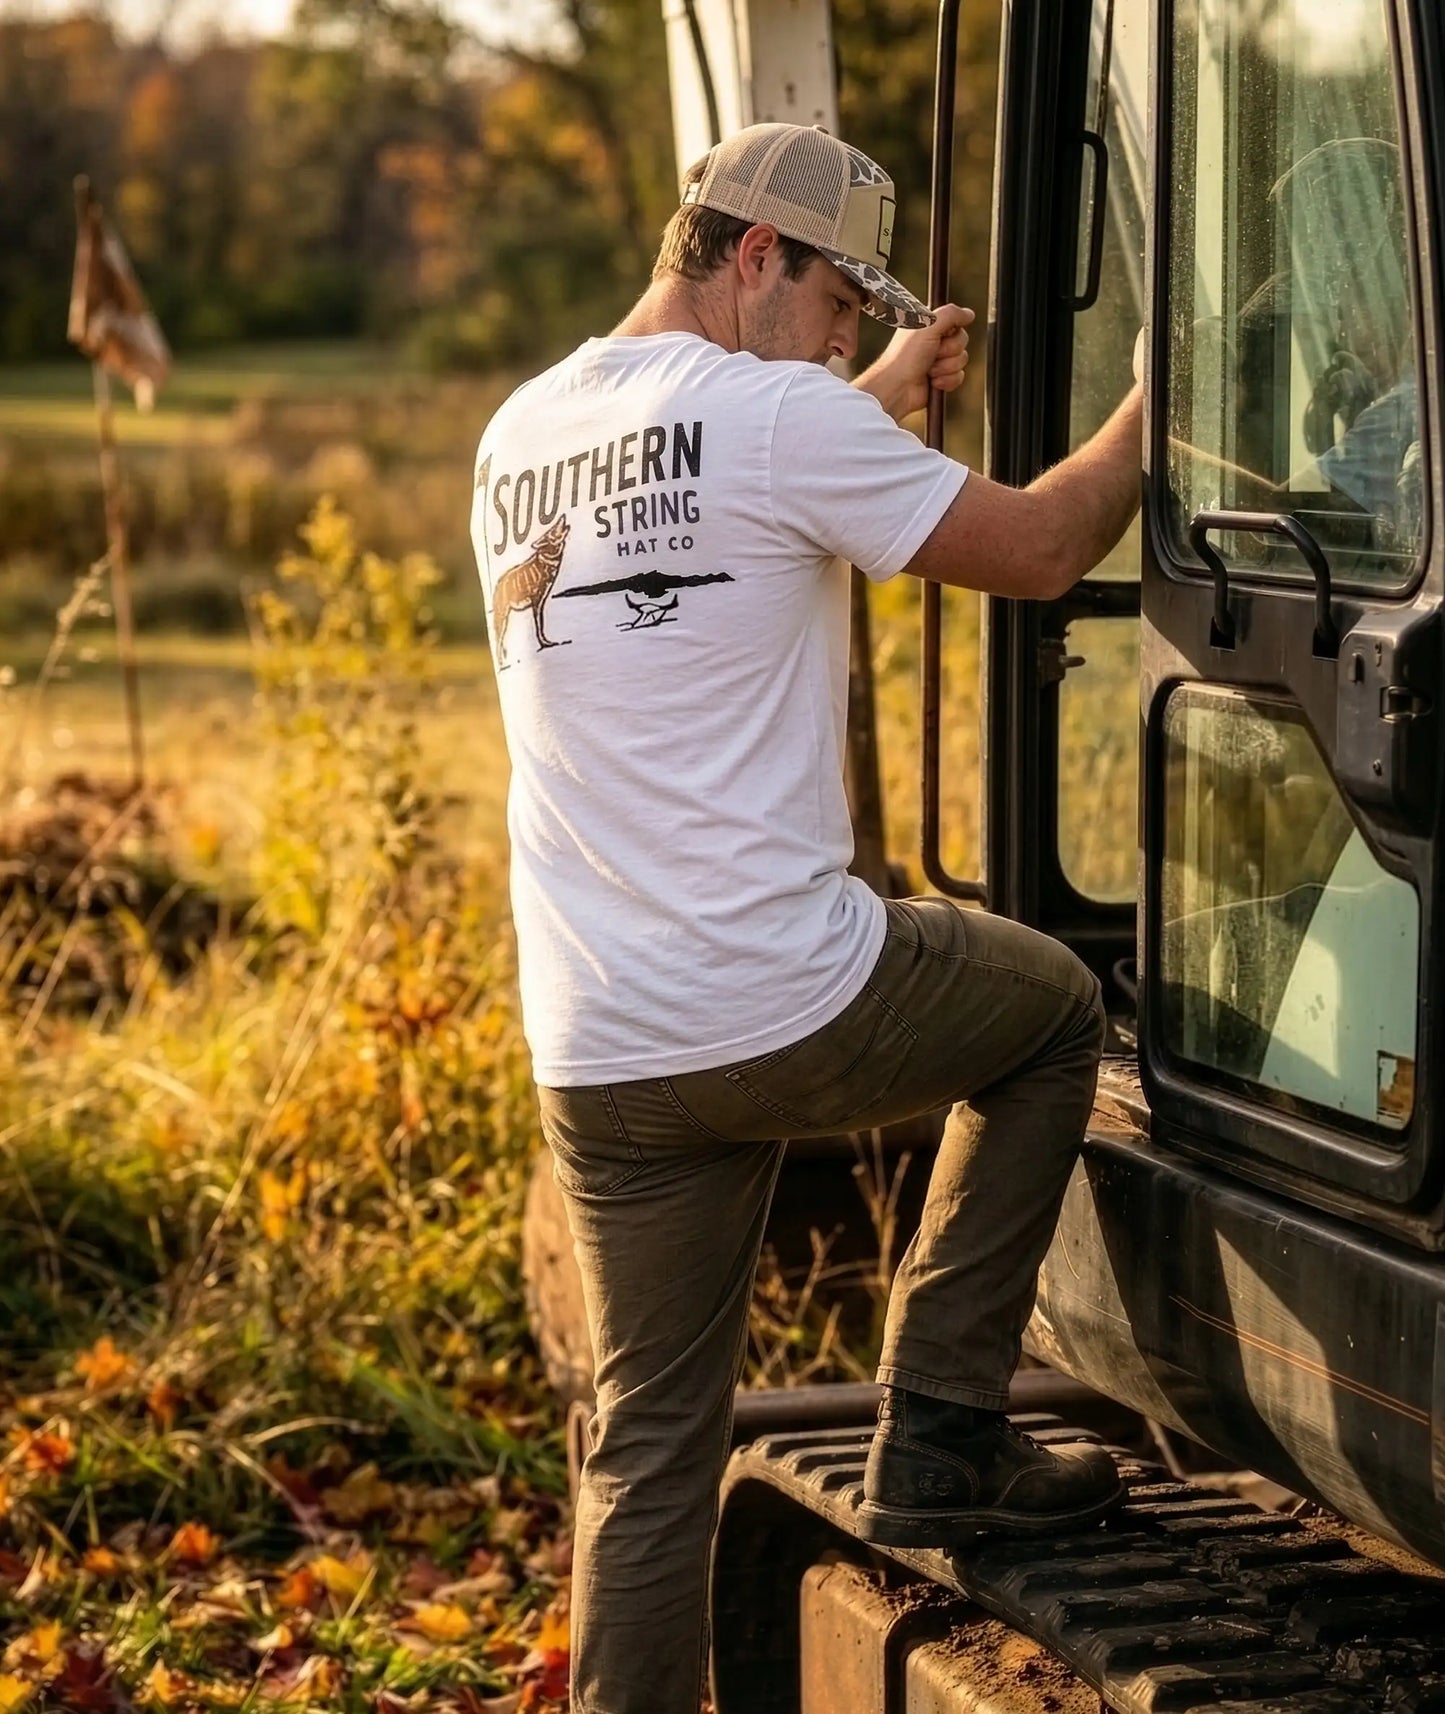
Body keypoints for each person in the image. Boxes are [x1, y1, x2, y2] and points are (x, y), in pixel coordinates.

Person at [469, 122, 1143, 1714]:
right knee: (1050, 1011)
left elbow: (697, 488)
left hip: (599, 1046)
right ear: (755, 256)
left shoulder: (519, 431)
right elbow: (1042, 548)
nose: (854, 329)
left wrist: (880, 393)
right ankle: (941, 1429)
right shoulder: (774, 418)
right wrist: (1167, 401)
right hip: (780, 1000)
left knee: (645, 1448)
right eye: (843, 296)